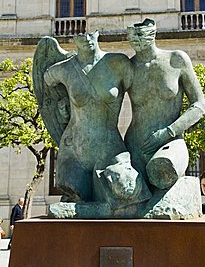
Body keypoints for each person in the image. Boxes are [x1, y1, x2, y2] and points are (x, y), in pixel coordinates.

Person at [36, 31, 133, 203]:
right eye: (81, 36)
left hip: (109, 148)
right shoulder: (64, 68)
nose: (87, 39)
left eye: (90, 35)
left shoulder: (118, 63)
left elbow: (140, 96)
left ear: (97, 35)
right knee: (76, 196)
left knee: (125, 189)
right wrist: (63, 104)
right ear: (74, 39)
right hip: (75, 150)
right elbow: (46, 80)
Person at [125, 18, 205, 192]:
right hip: (135, 146)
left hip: (170, 141)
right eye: (132, 37)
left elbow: (199, 105)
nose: (135, 41)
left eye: (139, 36)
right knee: (126, 190)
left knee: (161, 172)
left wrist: (168, 132)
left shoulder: (176, 59)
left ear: (152, 34)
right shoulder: (128, 67)